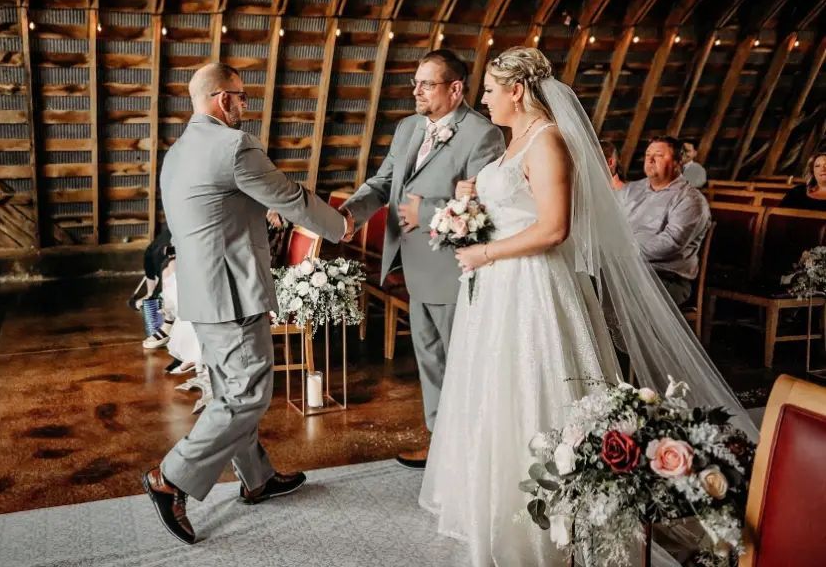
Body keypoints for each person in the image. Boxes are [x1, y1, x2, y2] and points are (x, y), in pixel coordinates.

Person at [420, 48, 755, 567]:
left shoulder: (549, 141)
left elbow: (554, 229)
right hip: (497, 287)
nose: (482, 97)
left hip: (533, 287)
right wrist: (471, 204)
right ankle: (496, 502)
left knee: (536, 387)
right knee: (493, 391)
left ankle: (554, 516)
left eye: (489, 88)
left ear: (517, 91)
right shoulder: (514, 143)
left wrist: (483, 249)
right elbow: (515, 208)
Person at [141, 63, 353, 545]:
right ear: (220, 99)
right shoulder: (233, 146)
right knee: (247, 395)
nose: (245, 105)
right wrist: (340, 227)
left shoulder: (177, 153)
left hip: (204, 289)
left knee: (227, 391)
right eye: (240, 96)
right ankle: (170, 477)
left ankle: (257, 478)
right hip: (233, 291)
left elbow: (219, 208)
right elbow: (291, 196)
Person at [341, 49, 504, 469]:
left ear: (455, 89)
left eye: (426, 84)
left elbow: (486, 209)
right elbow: (384, 182)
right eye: (415, 82)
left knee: (460, 364)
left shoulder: (483, 135)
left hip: (452, 270)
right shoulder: (408, 128)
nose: (415, 91)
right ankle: (438, 441)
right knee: (429, 360)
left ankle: (470, 455)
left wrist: (426, 213)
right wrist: (351, 213)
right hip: (410, 264)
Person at [620, 136, 711, 306]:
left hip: (664, 278)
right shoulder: (631, 189)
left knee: (606, 291)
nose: (650, 160)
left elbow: (671, 242)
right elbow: (611, 223)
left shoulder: (690, 200)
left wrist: (622, 254)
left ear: (678, 162)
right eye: (647, 155)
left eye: (659, 155)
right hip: (624, 268)